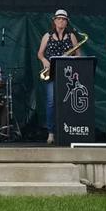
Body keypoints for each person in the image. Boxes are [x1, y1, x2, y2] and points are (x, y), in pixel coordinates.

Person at [36, 9, 78, 145]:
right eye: (58, 19)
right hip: (52, 72)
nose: (61, 21)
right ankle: (51, 132)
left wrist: (71, 58)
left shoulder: (71, 36)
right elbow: (40, 53)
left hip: (68, 73)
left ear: (67, 22)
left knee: (68, 101)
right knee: (51, 102)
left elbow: (78, 54)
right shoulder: (47, 36)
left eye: (64, 19)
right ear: (54, 21)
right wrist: (44, 61)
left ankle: (68, 130)